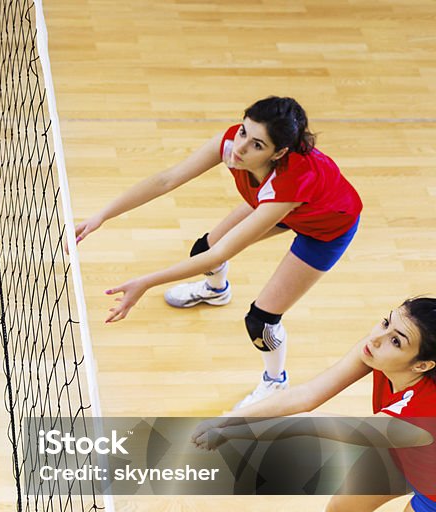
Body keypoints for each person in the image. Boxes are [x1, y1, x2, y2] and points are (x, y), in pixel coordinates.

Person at [76, 96, 362, 408]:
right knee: (204, 246)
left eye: (256, 145)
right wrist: (101, 215)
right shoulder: (231, 145)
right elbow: (166, 180)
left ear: (279, 152)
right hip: (282, 205)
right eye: (243, 132)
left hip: (325, 228)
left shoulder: (291, 184)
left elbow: (222, 254)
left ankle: (276, 381)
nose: (240, 149)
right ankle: (216, 291)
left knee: (261, 321)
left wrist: (146, 282)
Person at [192, 298, 436, 512]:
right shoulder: (375, 351)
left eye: (397, 340)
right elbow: (307, 395)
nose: (378, 338)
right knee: (341, 508)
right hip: (408, 455)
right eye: (385, 323)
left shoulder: (420, 412)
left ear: (424, 364)